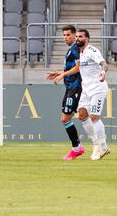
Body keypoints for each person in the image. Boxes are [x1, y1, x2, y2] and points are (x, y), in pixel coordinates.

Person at [52, 29, 110, 161]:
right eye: (76, 36)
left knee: (94, 117)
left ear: (87, 39)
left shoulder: (92, 51)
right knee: (82, 115)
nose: (77, 38)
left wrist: (103, 72)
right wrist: (60, 73)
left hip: (97, 88)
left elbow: (103, 63)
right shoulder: (81, 53)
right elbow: (78, 68)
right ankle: (96, 144)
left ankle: (102, 147)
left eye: (80, 37)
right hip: (86, 89)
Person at [45, 25, 84, 160]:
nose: (65, 37)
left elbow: (79, 68)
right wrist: (58, 73)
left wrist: (62, 76)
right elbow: (72, 68)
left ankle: (79, 148)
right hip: (70, 87)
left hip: (75, 87)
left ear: (74, 35)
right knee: (67, 118)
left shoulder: (76, 49)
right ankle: (79, 147)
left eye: (68, 35)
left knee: (67, 118)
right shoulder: (71, 50)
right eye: (64, 35)